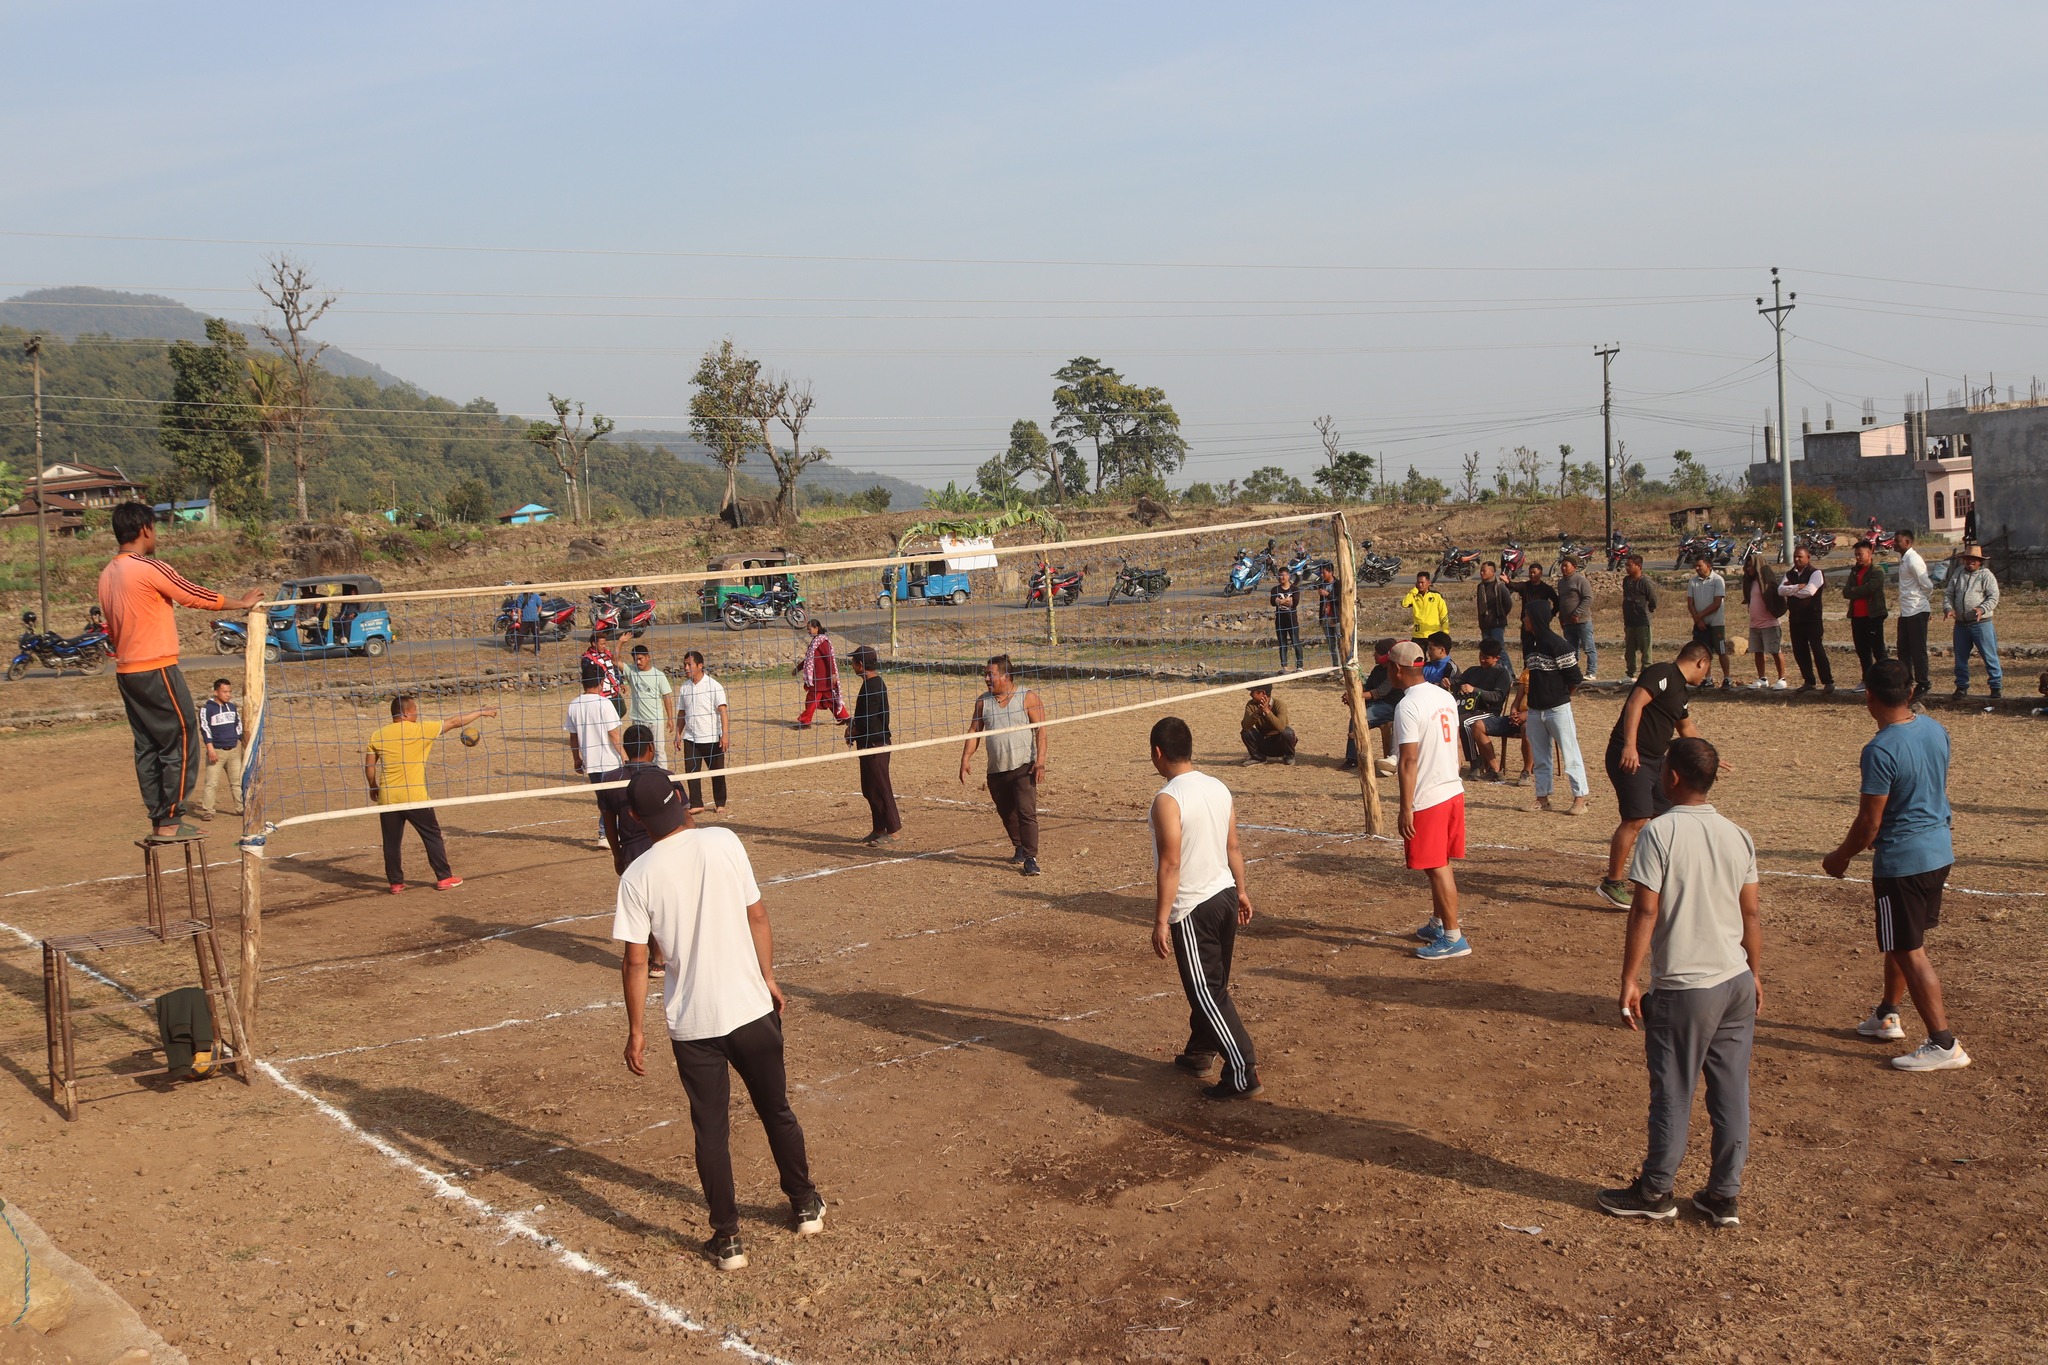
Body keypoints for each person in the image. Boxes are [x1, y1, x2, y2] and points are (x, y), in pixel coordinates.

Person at [612, 770, 824, 1272]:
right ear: (682, 799)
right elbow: (758, 916)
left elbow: (637, 961)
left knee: (711, 1130)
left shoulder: (637, 875)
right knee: (777, 1110)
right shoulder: (724, 841)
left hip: (693, 1024)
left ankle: (727, 1238)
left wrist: (637, 1030)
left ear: (636, 818)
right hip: (750, 1009)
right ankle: (804, 1204)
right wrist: (769, 978)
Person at [1598, 737, 1761, 1226]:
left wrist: (1630, 979)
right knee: (1731, 1091)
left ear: (1670, 778)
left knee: (1672, 1089)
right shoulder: (1738, 834)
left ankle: (1655, 1192)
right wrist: (1755, 973)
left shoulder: (1660, 833)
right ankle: (1723, 1194)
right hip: (1735, 981)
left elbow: (1645, 909)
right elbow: (1749, 911)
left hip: (1687, 987)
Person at [1822, 661, 1969, 1071]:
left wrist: (1840, 857)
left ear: (1868, 696)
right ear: (1908, 693)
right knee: (1905, 941)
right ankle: (1888, 1013)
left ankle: (1943, 1043)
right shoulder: (1936, 729)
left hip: (1902, 864)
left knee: (1908, 948)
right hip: (1939, 852)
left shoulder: (1880, 749)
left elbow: (1869, 822)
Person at [96, 501, 265, 841]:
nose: (155, 535)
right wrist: (241, 603)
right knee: (185, 733)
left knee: (148, 743)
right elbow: (192, 595)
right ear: (145, 530)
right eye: (155, 529)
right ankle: (172, 817)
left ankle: (160, 818)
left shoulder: (107, 574)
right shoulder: (147, 567)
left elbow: (111, 630)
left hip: (127, 671)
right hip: (155, 667)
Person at [1146, 716, 1261, 1100]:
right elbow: (1233, 847)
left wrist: (1162, 919)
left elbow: (1170, 863)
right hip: (1226, 896)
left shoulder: (1168, 799)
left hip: (1194, 907)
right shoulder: (1218, 787)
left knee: (1207, 992)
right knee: (1212, 984)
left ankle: (1243, 1070)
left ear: (1158, 754)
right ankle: (1200, 1051)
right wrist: (1242, 892)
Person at [1598, 642, 1713, 908]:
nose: (1705, 676)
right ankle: (1612, 882)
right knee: (1636, 818)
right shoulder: (1662, 673)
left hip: (1655, 762)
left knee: (1667, 817)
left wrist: (1709, 756)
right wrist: (1629, 745)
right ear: (1701, 662)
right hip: (1630, 756)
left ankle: (1662, 878)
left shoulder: (1680, 692)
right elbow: (1635, 704)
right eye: (1707, 670)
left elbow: (1685, 726)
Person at [365, 693, 498, 893]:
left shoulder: (377, 735)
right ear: (408, 712)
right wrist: (482, 712)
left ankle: (395, 883)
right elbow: (454, 722)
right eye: (415, 710)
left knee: (391, 842)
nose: (417, 713)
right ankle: (444, 878)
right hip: (415, 797)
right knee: (432, 836)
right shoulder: (421, 729)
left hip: (388, 798)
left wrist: (373, 787)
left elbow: (369, 766)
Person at [1394, 641, 1471, 961]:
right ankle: (1440, 923)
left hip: (1430, 796)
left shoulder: (1407, 706)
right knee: (1435, 863)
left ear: (1397, 670)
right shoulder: (1443, 695)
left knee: (1438, 866)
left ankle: (1453, 937)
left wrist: (1405, 806)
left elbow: (1408, 760)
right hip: (1452, 790)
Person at [959, 654, 1047, 877]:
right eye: (985, 674)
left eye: (991, 674)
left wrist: (1040, 762)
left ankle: (1030, 858)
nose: (987, 678)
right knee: (1007, 813)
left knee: (1026, 811)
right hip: (996, 769)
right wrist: (965, 759)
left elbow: (1042, 730)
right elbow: (974, 731)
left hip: (1023, 766)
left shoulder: (1027, 698)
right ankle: (1018, 845)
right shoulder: (983, 702)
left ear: (1006, 676)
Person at [1514, 597, 1588, 815]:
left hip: (1557, 709)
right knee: (1540, 755)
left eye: (1527, 615)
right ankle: (1542, 798)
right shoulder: (1530, 644)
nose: (1524, 619)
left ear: (1536, 618)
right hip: (1536, 710)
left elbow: (1575, 678)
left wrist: (1561, 697)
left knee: (1570, 753)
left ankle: (1580, 799)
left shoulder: (1558, 645)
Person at [597, 724, 675, 875]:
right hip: (667, 852)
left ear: (625, 748)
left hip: (632, 856)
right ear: (651, 747)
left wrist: (617, 856)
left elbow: (609, 822)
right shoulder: (667, 777)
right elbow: (685, 818)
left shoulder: (610, 780)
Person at [846, 644, 901, 846]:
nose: (851, 665)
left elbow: (869, 722)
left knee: (881, 787)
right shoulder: (869, 683)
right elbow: (865, 717)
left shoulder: (874, 685)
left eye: (853, 662)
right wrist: (852, 724)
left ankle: (894, 831)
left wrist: (853, 730)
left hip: (876, 744)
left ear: (860, 664)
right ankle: (879, 829)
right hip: (868, 742)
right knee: (869, 789)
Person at [567, 657, 627, 842]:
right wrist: (625, 756)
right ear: (601, 682)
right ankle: (607, 834)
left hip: (591, 764)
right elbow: (614, 735)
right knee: (618, 802)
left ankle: (605, 834)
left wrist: (576, 758)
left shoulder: (574, 705)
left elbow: (573, 736)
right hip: (610, 763)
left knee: (604, 802)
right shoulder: (605, 704)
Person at [1457, 638, 1523, 783]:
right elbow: (1458, 682)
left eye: (1486, 658)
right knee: (1457, 720)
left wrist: (1475, 690)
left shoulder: (1502, 674)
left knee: (1465, 723)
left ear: (1496, 658)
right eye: (1480, 656)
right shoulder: (1473, 671)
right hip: (1469, 709)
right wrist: (1452, 683)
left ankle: (1475, 762)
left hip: (1489, 712)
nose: (1482, 660)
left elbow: (1497, 697)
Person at [1944, 544, 2001, 698]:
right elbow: (1949, 594)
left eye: (1974, 559)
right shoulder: (1958, 574)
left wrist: (1982, 609)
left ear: (1980, 561)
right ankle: (1961, 686)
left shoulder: (1986, 575)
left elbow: (1993, 597)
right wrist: (1948, 609)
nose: (1971, 562)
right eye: (1968, 559)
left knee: (1989, 656)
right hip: (1961, 625)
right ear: (1964, 560)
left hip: (1981, 624)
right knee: (1960, 658)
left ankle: (1995, 686)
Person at [676, 650, 730, 813]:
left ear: (700, 666)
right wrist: (678, 734)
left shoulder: (714, 686)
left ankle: (720, 802)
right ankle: (696, 803)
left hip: (712, 738)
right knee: (691, 772)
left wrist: (725, 734)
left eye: (689, 664)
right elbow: (681, 713)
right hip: (691, 738)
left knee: (717, 772)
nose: (686, 667)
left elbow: (723, 711)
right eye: (685, 664)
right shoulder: (684, 687)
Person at [1779, 546, 1835, 694]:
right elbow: (1780, 590)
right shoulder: (1790, 574)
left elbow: (1809, 592)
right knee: (1799, 650)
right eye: (1795, 556)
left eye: (1800, 557)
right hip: (1795, 619)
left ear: (1808, 557)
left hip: (1812, 618)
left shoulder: (1816, 573)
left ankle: (1828, 681)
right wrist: (1797, 587)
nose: (1797, 559)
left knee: (1817, 649)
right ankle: (1809, 681)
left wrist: (1791, 590)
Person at [1348, 637, 1404, 777]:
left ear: (1385, 655)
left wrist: (1356, 696)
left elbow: (1379, 692)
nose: (1374, 655)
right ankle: (1353, 758)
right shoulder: (1377, 670)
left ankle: (1354, 754)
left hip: (1391, 707)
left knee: (1360, 718)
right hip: (1378, 704)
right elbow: (1368, 688)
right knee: (1354, 718)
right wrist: (1352, 695)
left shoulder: (1393, 670)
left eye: (1377, 652)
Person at [195, 677, 247, 821]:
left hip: (233, 751)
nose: (228, 694)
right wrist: (210, 748)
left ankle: (241, 808)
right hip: (217, 751)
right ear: (216, 692)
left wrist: (242, 742)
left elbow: (238, 726)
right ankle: (208, 810)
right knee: (212, 782)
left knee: (236, 781)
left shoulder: (232, 707)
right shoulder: (207, 709)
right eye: (225, 692)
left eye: (230, 691)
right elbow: (205, 729)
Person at [1893, 527, 1934, 704]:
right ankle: (1907, 681)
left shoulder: (1914, 560)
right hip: (1906, 610)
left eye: (1897, 541)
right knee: (1903, 648)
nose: (1894, 543)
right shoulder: (1904, 559)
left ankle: (1923, 682)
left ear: (1907, 542)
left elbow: (1927, 585)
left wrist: (1922, 601)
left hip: (1917, 609)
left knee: (1918, 649)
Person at [1841, 540, 1889, 687]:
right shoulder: (1854, 571)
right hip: (1857, 616)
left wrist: (1856, 590)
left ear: (1870, 553)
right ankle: (1867, 679)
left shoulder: (1877, 570)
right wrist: (1858, 590)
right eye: (1856, 555)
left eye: (1860, 554)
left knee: (1878, 650)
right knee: (1862, 650)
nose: (1857, 558)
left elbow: (1870, 588)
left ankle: (1885, 680)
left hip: (1873, 615)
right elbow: (1846, 592)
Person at [622, 644, 676, 768]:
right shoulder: (632, 671)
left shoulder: (659, 675)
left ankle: (663, 775)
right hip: (638, 720)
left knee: (658, 750)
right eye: (635, 659)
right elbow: (615, 660)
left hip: (654, 721)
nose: (638, 662)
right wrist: (620, 641)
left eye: (640, 658)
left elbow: (666, 697)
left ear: (648, 657)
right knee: (639, 750)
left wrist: (670, 718)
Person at [1684, 555, 1734, 690]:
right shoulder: (1693, 582)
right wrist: (1698, 620)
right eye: (1696, 566)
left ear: (1709, 566)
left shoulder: (1718, 580)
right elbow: (1690, 604)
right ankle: (1708, 678)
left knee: (1721, 651)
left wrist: (1699, 616)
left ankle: (1727, 678)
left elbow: (1717, 603)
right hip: (1700, 623)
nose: (1697, 568)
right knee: (1704, 652)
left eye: (1700, 565)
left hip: (1716, 623)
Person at [1739, 556, 1787, 689]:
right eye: (1747, 566)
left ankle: (1781, 678)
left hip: (1769, 624)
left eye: (1750, 566)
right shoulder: (1751, 582)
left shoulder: (1768, 583)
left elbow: (1780, 601)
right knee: (1758, 652)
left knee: (1775, 651)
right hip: (1754, 625)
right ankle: (1762, 678)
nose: (1748, 569)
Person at [793, 618, 850, 727]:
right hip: (820, 679)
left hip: (821, 679)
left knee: (811, 700)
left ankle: (805, 721)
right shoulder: (815, 642)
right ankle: (845, 717)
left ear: (816, 628)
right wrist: (798, 668)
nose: (808, 631)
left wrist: (833, 673)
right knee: (830, 699)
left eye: (809, 629)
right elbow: (809, 659)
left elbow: (829, 658)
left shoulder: (823, 642)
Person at [1556, 553, 1597, 680]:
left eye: (1566, 566)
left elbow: (1588, 598)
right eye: (1562, 566)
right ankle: (1574, 673)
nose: (1563, 568)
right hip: (1568, 623)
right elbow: (1561, 601)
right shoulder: (1561, 583)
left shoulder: (1580, 580)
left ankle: (1591, 672)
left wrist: (1577, 613)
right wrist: (1561, 617)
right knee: (1571, 650)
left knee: (1588, 647)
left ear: (1574, 567)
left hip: (1582, 621)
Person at [1509, 561, 1557, 664]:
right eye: (1530, 572)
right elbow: (1515, 586)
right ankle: (1527, 670)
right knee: (1527, 648)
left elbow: (1557, 602)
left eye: (1534, 572)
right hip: (1526, 624)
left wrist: (1551, 614)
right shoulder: (1525, 586)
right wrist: (1507, 581)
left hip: (1541, 624)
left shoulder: (1547, 589)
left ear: (1540, 573)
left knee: (1542, 647)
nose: (1532, 575)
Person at [1621, 554, 1659, 680]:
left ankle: (1646, 674)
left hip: (1642, 621)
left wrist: (1650, 609)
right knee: (1629, 650)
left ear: (1638, 566)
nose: (1627, 568)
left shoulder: (1644, 582)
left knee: (1645, 650)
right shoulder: (1626, 581)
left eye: (1629, 565)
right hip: (1629, 621)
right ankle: (1630, 673)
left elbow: (1652, 599)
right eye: (1626, 565)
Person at [1239, 683, 1297, 765]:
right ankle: (1258, 757)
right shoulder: (1251, 705)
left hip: (1280, 743)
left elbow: (1281, 727)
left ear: (1262, 693)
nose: (1250, 694)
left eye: (1253, 692)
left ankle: (1288, 756)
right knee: (1246, 732)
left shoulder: (1279, 704)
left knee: (1288, 732)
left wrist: (1267, 711)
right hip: (1264, 741)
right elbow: (1245, 726)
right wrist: (1258, 712)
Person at [1474, 560, 1514, 653]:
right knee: (1487, 651)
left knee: (1499, 651)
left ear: (1492, 572)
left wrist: (1501, 614)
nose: (1481, 573)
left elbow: (1508, 603)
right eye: (1481, 571)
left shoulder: (1500, 586)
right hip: (1485, 624)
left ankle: (1507, 668)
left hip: (1497, 624)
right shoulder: (1480, 587)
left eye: (1484, 571)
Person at [581, 637, 625, 717]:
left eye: (605, 644)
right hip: (601, 693)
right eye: (602, 644)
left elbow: (614, 669)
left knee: (621, 710)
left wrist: (621, 682)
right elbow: (588, 676)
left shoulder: (607, 654)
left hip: (613, 690)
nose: (604, 646)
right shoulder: (587, 658)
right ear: (594, 644)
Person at [1270, 569, 1303, 672]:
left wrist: (1280, 601)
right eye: (1279, 576)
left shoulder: (1295, 589)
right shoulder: (1275, 589)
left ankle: (1300, 666)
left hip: (1292, 620)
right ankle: (1284, 666)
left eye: (1283, 575)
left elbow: (1294, 603)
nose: (1281, 578)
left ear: (1288, 576)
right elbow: (1273, 602)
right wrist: (1286, 600)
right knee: (1282, 643)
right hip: (1280, 620)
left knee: (1295, 642)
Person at [1400, 571, 1449, 642]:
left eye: (1422, 582)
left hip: (1433, 634)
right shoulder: (1413, 596)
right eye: (1418, 582)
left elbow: (1443, 615)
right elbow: (1404, 604)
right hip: (1418, 635)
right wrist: (1414, 590)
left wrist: (1445, 632)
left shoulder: (1436, 596)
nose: (1420, 585)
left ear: (1428, 583)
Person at [1315, 564, 1343, 668]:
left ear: (1331, 572)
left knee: (1341, 642)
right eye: (1321, 573)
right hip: (1325, 617)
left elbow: (1340, 600)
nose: (1322, 575)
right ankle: (1336, 665)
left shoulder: (1338, 584)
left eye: (1324, 572)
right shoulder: (1321, 584)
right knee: (1331, 644)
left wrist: (1327, 594)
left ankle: (1344, 663)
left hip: (1336, 617)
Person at [518, 588, 543, 656]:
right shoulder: (521, 597)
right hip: (525, 619)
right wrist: (519, 617)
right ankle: (516, 649)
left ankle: (537, 650)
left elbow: (540, 606)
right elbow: (519, 608)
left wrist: (537, 613)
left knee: (536, 636)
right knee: (520, 635)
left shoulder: (536, 596)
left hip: (534, 620)